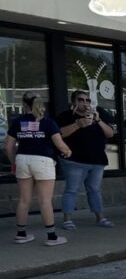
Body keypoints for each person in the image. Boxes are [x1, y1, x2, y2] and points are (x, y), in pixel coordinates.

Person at [5, 92, 74, 246]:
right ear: (41, 104)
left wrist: (13, 161)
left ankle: (21, 234)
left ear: (24, 104)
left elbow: (8, 146)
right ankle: (51, 237)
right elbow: (59, 143)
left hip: (22, 159)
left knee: (24, 200)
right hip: (43, 160)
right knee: (44, 201)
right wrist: (67, 151)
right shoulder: (48, 122)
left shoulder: (18, 122)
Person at [56, 89, 115, 229]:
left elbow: (110, 133)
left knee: (95, 189)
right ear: (74, 102)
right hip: (74, 160)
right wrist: (78, 124)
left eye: (87, 100)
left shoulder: (97, 114)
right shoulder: (66, 116)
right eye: (80, 100)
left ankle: (100, 218)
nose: (84, 103)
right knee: (72, 189)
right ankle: (67, 219)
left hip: (97, 160)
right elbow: (58, 134)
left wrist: (98, 120)